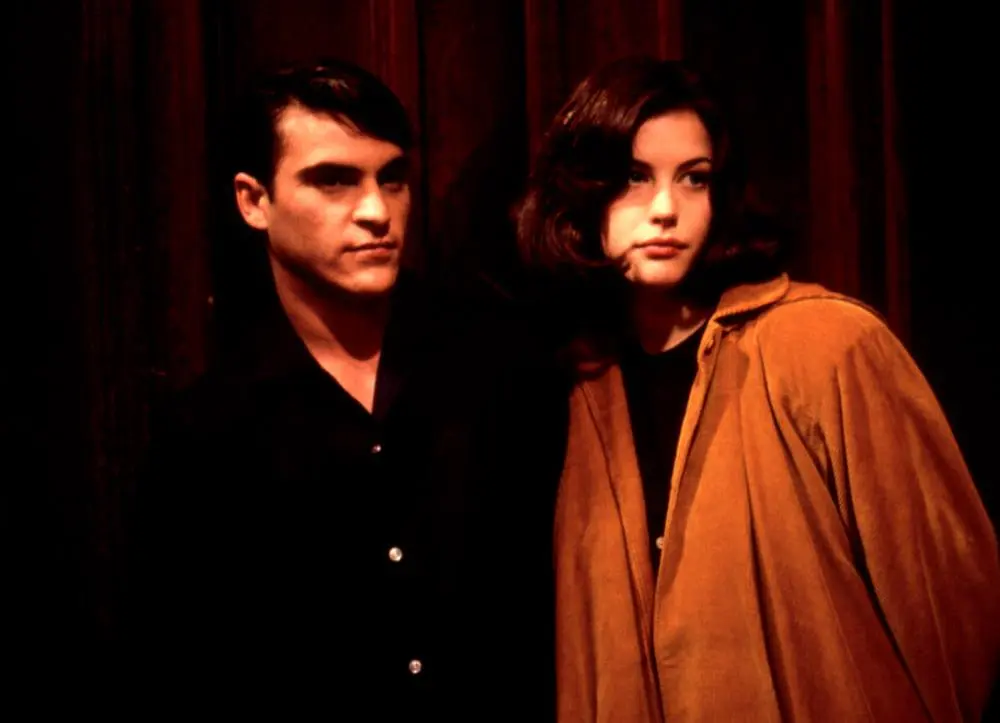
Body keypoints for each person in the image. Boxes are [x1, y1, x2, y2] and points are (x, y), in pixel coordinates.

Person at [516, 55, 1000, 722]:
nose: (665, 209)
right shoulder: (577, 385)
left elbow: (947, 597)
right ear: (583, 190)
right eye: (634, 177)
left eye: (694, 178)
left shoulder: (828, 343)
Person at [126, 58, 565, 718]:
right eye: (333, 181)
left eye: (392, 179)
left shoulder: (501, 368)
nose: (376, 211)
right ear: (254, 201)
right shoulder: (208, 434)